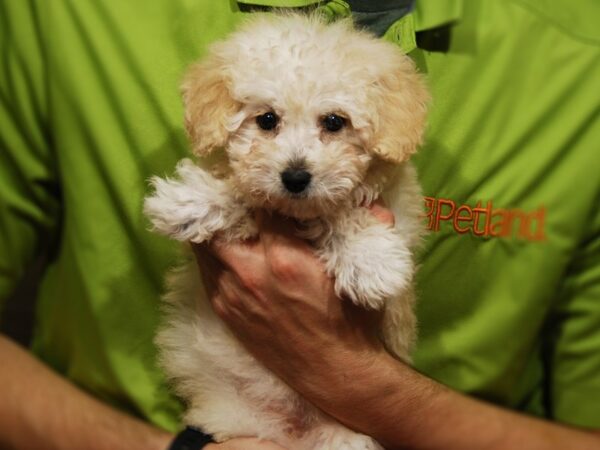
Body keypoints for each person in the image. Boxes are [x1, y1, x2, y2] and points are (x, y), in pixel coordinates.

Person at [0, 0, 599, 449]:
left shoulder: (578, 53)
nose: (297, 163)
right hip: (206, 416)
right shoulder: (59, 16)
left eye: (333, 124)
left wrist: (357, 380)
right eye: (266, 121)